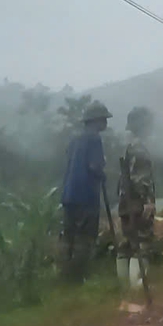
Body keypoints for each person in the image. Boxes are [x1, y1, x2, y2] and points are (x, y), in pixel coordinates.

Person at [59, 100, 110, 283]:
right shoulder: (94, 139)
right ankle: (78, 278)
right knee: (85, 238)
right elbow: (94, 166)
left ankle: (65, 277)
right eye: (104, 119)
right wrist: (103, 175)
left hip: (69, 195)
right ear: (96, 120)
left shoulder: (75, 139)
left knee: (69, 238)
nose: (106, 123)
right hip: (86, 196)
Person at [116, 106, 156, 285]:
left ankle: (125, 285)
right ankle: (139, 284)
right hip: (137, 202)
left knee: (126, 244)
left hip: (124, 200)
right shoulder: (139, 148)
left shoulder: (124, 145)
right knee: (142, 242)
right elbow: (141, 180)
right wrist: (147, 202)